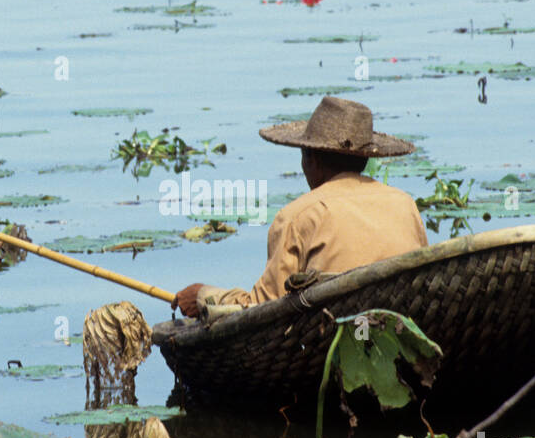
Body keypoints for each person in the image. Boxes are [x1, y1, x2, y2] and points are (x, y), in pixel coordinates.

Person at [173, 96, 428, 316]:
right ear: (364, 160)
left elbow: (263, 308)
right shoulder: (404, 203)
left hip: (329, 335)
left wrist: (203, 296)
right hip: (402, 321)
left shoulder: (298, 216)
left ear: (311, 158)